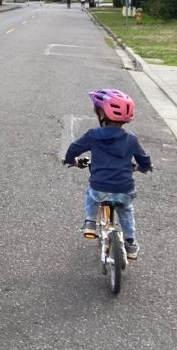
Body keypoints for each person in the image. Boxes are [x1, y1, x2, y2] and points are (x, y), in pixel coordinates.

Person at [63, 89, 152, 260]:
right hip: (124, 189)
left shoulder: (93, 135)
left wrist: (70, 160)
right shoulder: (131, 139)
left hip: (100, 188)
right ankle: (131, 244)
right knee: (126, 211)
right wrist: (144, 167)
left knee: (91, 194)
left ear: (102, 113)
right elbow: (144, 160)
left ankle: (90, 222)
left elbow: (74, 149)